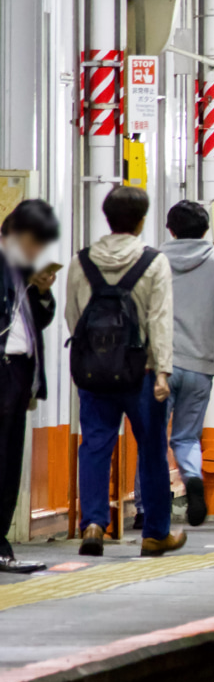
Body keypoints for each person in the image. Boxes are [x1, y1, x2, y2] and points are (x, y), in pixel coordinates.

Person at [65, 186, 186, 557]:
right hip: (144, 374)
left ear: (107, 218)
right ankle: (155, 533)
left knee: (96, 445)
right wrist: (163, 372)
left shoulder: (81, 262)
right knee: (151, 449)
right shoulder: (153, 262)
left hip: (96, 374)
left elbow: (74, 317)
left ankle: (94, 524)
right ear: (141, 220)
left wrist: (97, 356)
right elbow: (160, 321)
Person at [134, 201, 214, 528]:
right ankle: (192, 477)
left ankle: (146, 508)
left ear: (170, 228)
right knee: (186, 438)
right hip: (200, 364)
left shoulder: (153, 262)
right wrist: (211, 333)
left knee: (151, 438)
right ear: (206, 230)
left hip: (157, 366)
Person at [0, 201, 59, 573]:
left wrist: (40, 292)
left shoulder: (21, 272)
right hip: (4, 368)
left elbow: (38, 321)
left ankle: (1, 538)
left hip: (20, 373)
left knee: (9, 459)